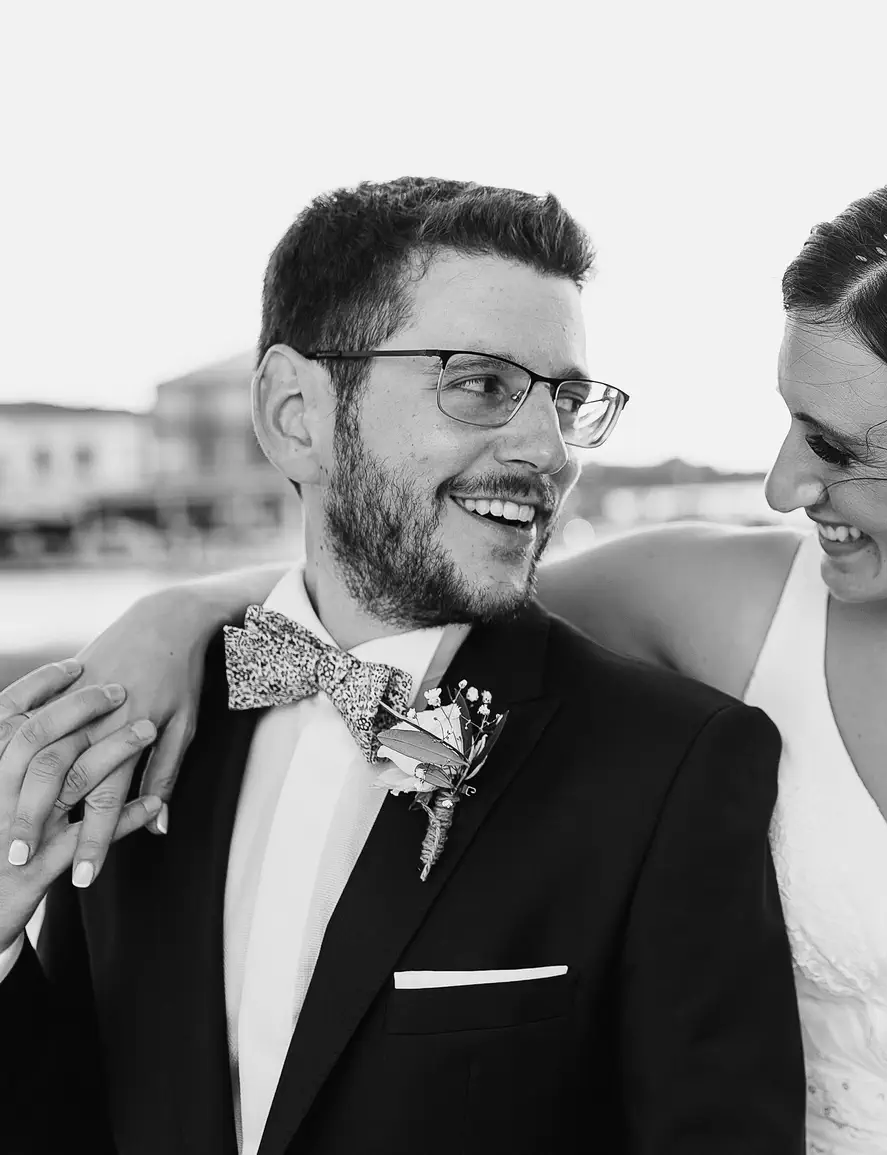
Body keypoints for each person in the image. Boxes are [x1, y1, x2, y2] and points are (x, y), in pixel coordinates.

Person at [7, 152, 887, 1153]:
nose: (781, 485)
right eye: (790, 422)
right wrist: (175, 617)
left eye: (840, 448)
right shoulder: (716, 602)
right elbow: (401, 602)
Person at [0, 177, 805, 1155]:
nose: (548, 451)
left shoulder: (668, 768)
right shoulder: (144, 728)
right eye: (481, 385)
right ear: (296, 413)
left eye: (565, 400)